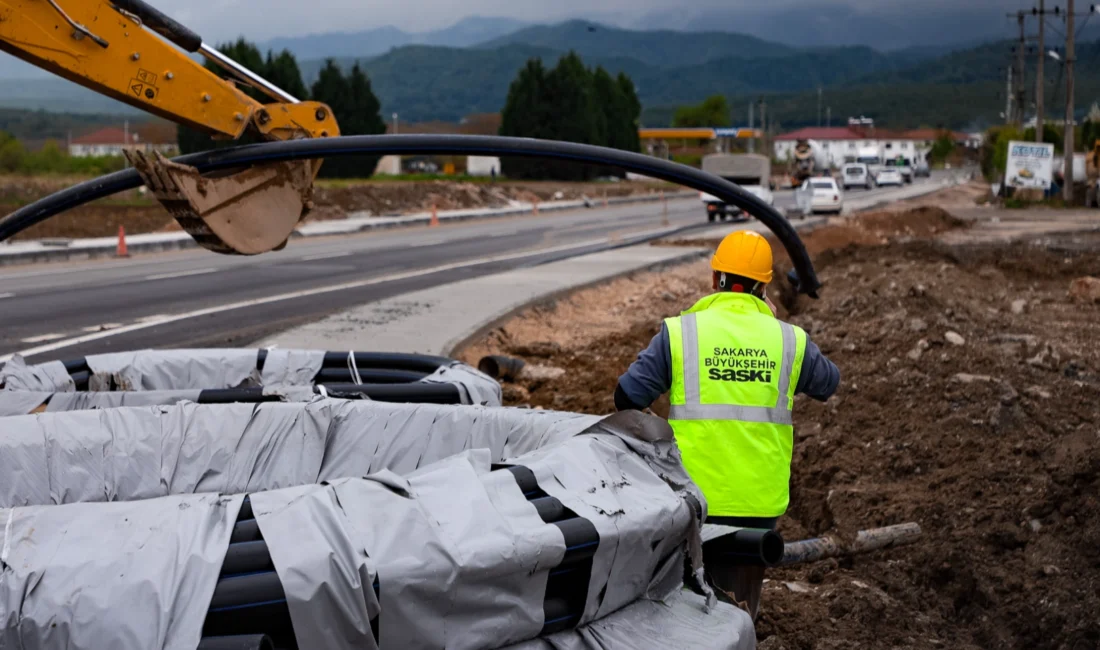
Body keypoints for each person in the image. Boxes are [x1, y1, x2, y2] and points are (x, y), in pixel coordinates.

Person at [614, 229, 839, 619]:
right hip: (757, 503)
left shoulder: (681, 333)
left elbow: (627, 396)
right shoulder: (789, 341)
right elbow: (828, 383)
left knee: (683, 605)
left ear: (714, 278)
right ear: (763, 287)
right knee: (738, 607)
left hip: (690, 500)